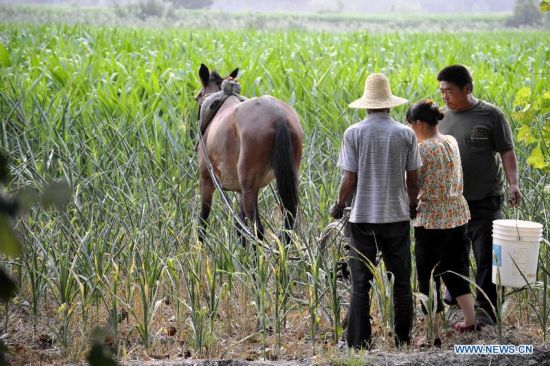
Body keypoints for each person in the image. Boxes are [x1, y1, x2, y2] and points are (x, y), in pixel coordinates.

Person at [329, 73, 421, 349]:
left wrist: (338, 205)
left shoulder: (354, 133)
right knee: (402, 282)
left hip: (361, 220)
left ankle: (359, 343)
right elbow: (413, 180)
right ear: (389, 104)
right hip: (396, 217)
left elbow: (350, 179)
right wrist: (412, 206)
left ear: (367, 104)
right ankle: (403, 340)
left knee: (360, 284)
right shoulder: (406, 134)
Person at [437, 65, 521, 324]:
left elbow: (507, 151)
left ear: (467, 89)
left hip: (484, 199)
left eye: (449, 90)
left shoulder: (491, 115)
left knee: (486, 255)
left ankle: (487, 310)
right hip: (451, 201)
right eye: (441, 91)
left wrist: (514, 184)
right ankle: (457, 302)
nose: (445, 96)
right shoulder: (439, 117)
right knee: (453, 254)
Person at [406, 100, 480, 347]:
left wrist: (410, 205)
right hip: (457, 214)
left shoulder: (422, 149)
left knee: (427, 277)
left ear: (418, 124)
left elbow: (414, 183)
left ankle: (432, 334)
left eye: (410, 125)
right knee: (457, 268)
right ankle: (471, 321)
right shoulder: (451, 141)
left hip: (431, 219)